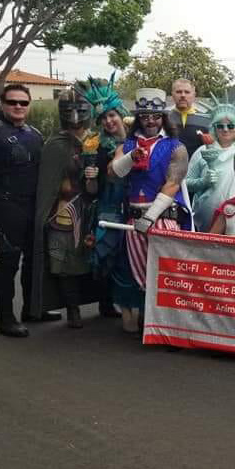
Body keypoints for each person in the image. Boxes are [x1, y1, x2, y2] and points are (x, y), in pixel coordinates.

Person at [0, 84, 53, 337]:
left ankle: (33, 309)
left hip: (32, 206)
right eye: (13, 102)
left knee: (34, 260)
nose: (18, 106)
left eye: (23, 103)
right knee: (8, 261)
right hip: (5, 206)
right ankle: (5, 318)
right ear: (3, 104)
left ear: (28, 106)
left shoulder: (35, 134)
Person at [110, 88, 191, 289]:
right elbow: (114, 173)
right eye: (145, 116)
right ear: (138, 118)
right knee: (143, 284)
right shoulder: (127, 146)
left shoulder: (176, 147)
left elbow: (172, 184)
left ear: (163, 117)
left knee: (168, 282)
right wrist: (131, 157)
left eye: (156, 116)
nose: (150, 121)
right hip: (133, 221)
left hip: (163, 219)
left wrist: (149, 217)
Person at [32, 85, 98, 328]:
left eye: (80, 110)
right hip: (64, 210)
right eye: (69, 110)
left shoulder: (96, 139)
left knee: (97, 257)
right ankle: (72, 308)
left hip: (93, 209)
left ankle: (105, 301)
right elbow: (49, 184)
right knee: (65, 263)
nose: (75, 116)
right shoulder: (56, 144)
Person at [83, 76, 142, 333]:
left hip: (138, 204)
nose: (108, 121)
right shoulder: (94, 146)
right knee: (114, 259)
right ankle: (121, 307)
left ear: (120, 114)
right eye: (103, 118)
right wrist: (91, 179)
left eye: (111, 115)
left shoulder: (139, 139)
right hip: (109, 207)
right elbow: (92, 192)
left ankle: (140, 309)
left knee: (136, 258)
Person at [184, 94, 235, 232]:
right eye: (220, 126)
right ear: (214, 127)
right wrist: (203, 182)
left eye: (230, 126)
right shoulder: (201, 152)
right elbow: (186, 183)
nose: (225, 129)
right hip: (207, 218)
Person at [168, 78, 210, 158]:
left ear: (194, 95)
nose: (183, 95)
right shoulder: (164, 119)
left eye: (187, 92)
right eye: (178, 92)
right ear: (172, 95)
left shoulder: (205, 120)